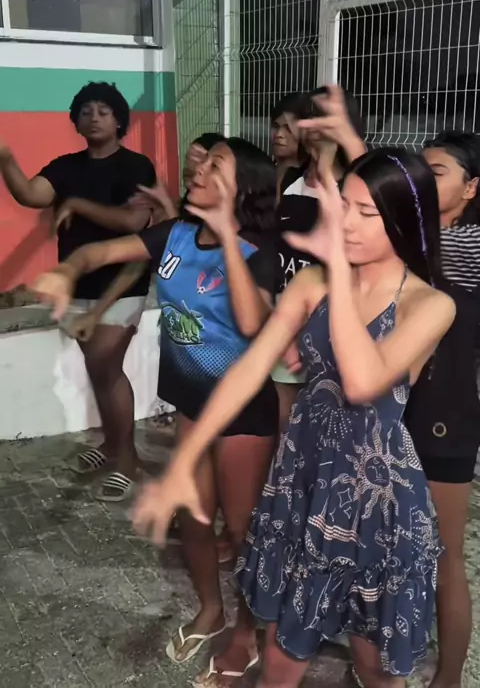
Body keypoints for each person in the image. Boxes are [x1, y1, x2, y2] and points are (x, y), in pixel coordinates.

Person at [129, 146, 456, 688]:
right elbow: (247, 370)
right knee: (280, 660)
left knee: (374, 669)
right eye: (342, 205)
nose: (345, 223)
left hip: (374, 498)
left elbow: (364, 382)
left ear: (406, 221)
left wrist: (340, 277)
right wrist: (184, 461)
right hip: (303, 476)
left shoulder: (430, 305)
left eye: (365, 213)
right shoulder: (310, 285)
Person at [32, 137, 279, 683]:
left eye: (216, 165)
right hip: (191, 404)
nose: (199, 168)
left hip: (241, 417)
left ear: (242, 189)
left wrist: (228, 233)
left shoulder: (257, 253)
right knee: (193, 518)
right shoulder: (175, 234)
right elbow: (98, 253)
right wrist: (68, 272)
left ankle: (248, 632)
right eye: (202, 160)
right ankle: (211, 611)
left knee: (245, 532)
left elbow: (251, 324)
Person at [0, 81, 156, 500]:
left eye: (103, 110)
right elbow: (31, 194)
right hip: (79, 284)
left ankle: (127, 460)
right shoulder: (65, 166)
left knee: (107, 367)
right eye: (86, 111)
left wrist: (78, 205)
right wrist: (6, 159)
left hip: (121, 284)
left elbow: (133, 223)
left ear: (119, 120)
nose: (94, 117)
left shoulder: (136, 166)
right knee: (97, 369)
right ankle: (112, 446)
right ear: (76, 121)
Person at [404, 130, 480, 688]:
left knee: (444, 554)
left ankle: (448, 677)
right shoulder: (413, 239)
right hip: (394, 408)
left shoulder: (468, 249)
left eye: (437, 173)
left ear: (471, 187)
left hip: (445, 416)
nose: (422, 183)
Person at [273, 85, 367, 427]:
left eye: (323, 117)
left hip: (333, 314)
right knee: (284, 416)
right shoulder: (290, 177)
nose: (313, 126)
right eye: (308, 117)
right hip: (287, 309)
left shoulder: (355, 187)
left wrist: (328, 164)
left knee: (328, 416)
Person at [131, 132, 225, 223]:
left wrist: (166, 202)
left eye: (198, 160)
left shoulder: (215, 212)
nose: (189, 167)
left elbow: (182, 233)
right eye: (188, 159)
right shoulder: (182, 204)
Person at [270, 94, 307, 199]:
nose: (279, 134)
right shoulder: (263, 173)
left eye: (288, 128)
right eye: (276, 126)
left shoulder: (309, 180)